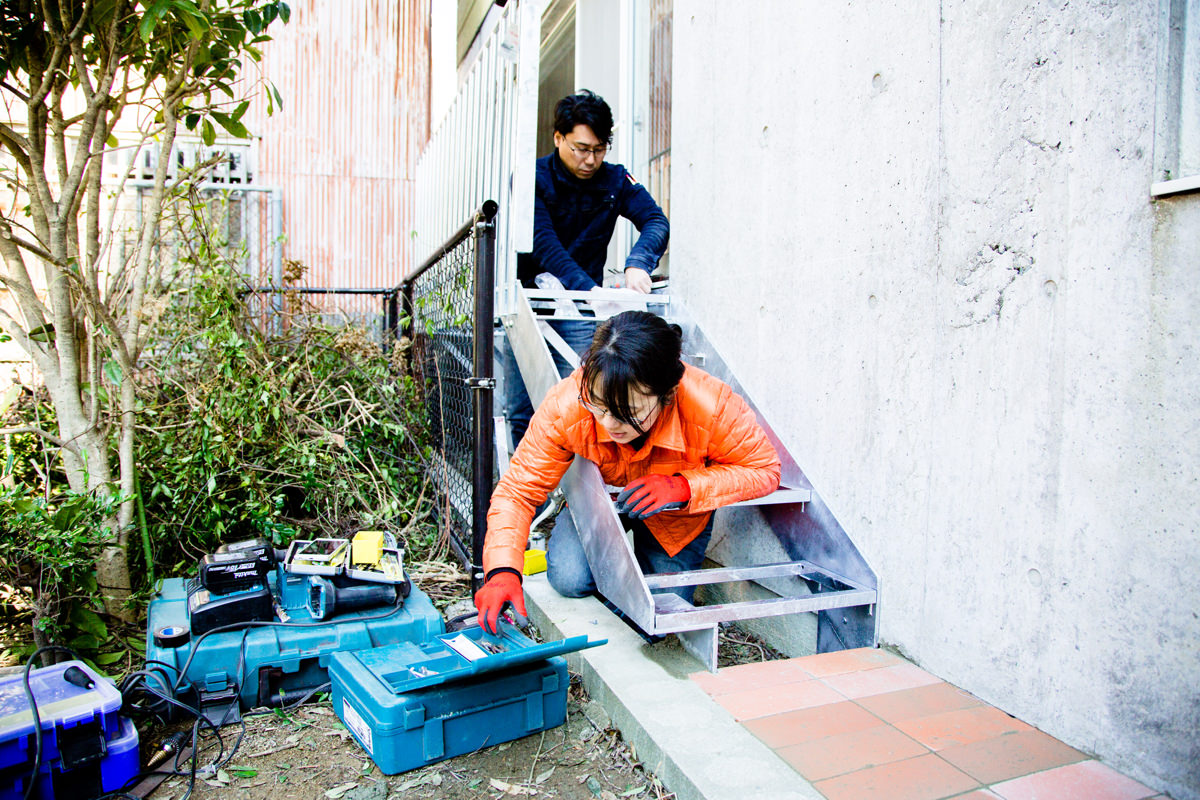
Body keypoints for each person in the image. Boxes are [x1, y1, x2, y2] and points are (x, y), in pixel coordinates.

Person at [476, 311, 781, 634]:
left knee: (660, 618)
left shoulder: (710, 404)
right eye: (599, 406)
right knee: (568, 578)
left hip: (675, 515)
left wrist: (683, 487)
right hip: (601, 500)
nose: (609, 423)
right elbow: (518, 491)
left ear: (667, 394)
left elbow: (764, 469)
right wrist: (502, 570)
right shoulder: (567, 404)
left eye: (628, 412)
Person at [503, 89, 670, 447]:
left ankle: (572, 482)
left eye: (599, 149)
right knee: (522, 408)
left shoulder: (615, 180)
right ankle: (526, 482)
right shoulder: (531, 178)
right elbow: (544, 243)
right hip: (530, 303)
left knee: (577, 405)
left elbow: (656, 221)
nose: (591, 160)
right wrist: (590, 289)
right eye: (581, 148)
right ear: (558, 138)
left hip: (580, 307)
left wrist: (638, 263)